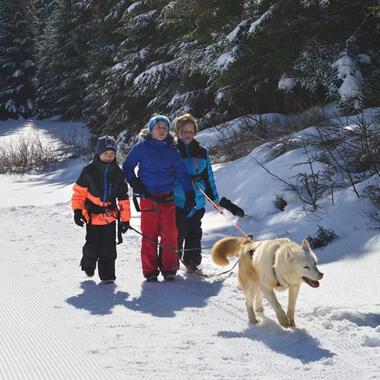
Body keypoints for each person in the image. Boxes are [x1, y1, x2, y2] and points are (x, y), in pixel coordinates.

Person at [123, 115, 195, 282]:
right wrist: (135, 182)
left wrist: (189, 193)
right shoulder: (141, 148)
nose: (162, 130)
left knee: (170, 233)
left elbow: (182, 173)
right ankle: (150, 271)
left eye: (165, 128)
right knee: (150, 234)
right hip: (148, 198)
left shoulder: (171, 150)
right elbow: (127, 167)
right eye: (158, 127)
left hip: (167, 198)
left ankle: (169, 268)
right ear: (151, 129)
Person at [71, 135, 131, 283]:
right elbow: (79, 193)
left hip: (110, 217)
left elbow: (123, 198)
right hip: (92, 217)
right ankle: (88, 264)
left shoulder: (118, 173)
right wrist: (77, 211)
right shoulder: (89, 171)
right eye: (105, 153)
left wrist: (125, 219)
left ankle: (107, 276)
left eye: (112, 154)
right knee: (93, 245)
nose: (109, 157)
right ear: (98, 153)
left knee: (109, 248)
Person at [173, 113, 220, 272]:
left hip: (198, 198)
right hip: (178, 199)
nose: (187, 134)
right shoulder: (172, 150)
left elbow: (209, 176)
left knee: (194, 231)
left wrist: (214, 198)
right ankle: (172, 262)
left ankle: (192, 260)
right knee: (178, 231)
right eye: (184, 131)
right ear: (178, 132)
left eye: (190, 131)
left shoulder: (201, 151)